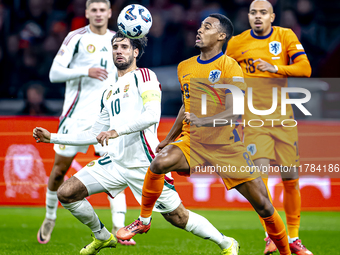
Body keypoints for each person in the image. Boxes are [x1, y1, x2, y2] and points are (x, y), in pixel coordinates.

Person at [33, 30, 240, 255]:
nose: (119, 51)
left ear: (135, 51)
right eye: (115, 47)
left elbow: (152, 115)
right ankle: (102, 236)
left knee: (178, 217)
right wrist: (52, 137)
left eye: (124, 47)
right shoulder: (109, 91)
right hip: (115, 163)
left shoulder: (145, 76)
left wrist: (115, 131)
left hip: (145, 165)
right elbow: (95, 134)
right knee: (67, 193)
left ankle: (226, 243)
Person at [118, 13, 292, 255]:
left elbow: (236, 110)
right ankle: (144, 220)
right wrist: (168, 138)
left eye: (207, 27)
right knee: (160, 163)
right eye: (199, 27)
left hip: (226, 145)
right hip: (194, 141)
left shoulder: (229, 66)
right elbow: (185, 106)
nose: (199, 30)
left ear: (221, 36)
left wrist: (205, 119)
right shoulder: (185, 66)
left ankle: (286, 250)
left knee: (263, 205)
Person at [37, 0, 135, 246]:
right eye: (94, 9)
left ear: (110, 13)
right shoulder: (76, 37)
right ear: (87, 12)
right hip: (75, 116)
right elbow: (54, 74)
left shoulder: (117, 40)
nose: (99, 14)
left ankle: (118, 226)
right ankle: (50, 216)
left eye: (103, 9)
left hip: (106, 119)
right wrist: (85, 71)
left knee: (115, 169)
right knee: (60, 170)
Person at [225, 1, 312, 254]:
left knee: (290, 180)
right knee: (260, 181)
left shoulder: (285, 36)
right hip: (254, 122)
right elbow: (220, 69)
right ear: (248, 16)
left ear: (272, 16)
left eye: (263, 12)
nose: (258, 17)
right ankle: (271, 235)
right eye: (253, 13)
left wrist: (276, 68)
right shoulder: (238, 43)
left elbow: (305, 69)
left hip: (284, 120)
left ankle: (293, 238)